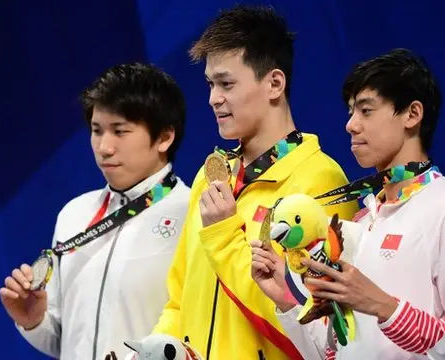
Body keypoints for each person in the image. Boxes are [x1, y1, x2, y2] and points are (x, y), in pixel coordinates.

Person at [252, 48, 445, 359]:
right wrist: (285, 298)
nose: (350, 125)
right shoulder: (363, 222)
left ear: (412, 114)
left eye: (366, 111)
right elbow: (334, 352)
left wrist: (382, 306)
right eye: (351, 112)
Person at [146, 5, 359, 360]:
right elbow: (179, 300)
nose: (214, 98)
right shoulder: (211, 175)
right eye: (211, 84)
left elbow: (311, 325)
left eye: (226, 83)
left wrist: (224, 234)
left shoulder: (320, 180)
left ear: (274, 83)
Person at [0, 62, 191, 360]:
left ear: (165, 137)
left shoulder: (192, 215)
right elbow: (65, 341)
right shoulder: (73, 215)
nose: (103, 147)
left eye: (120, 131)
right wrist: (34, 321)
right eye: (96, 130)